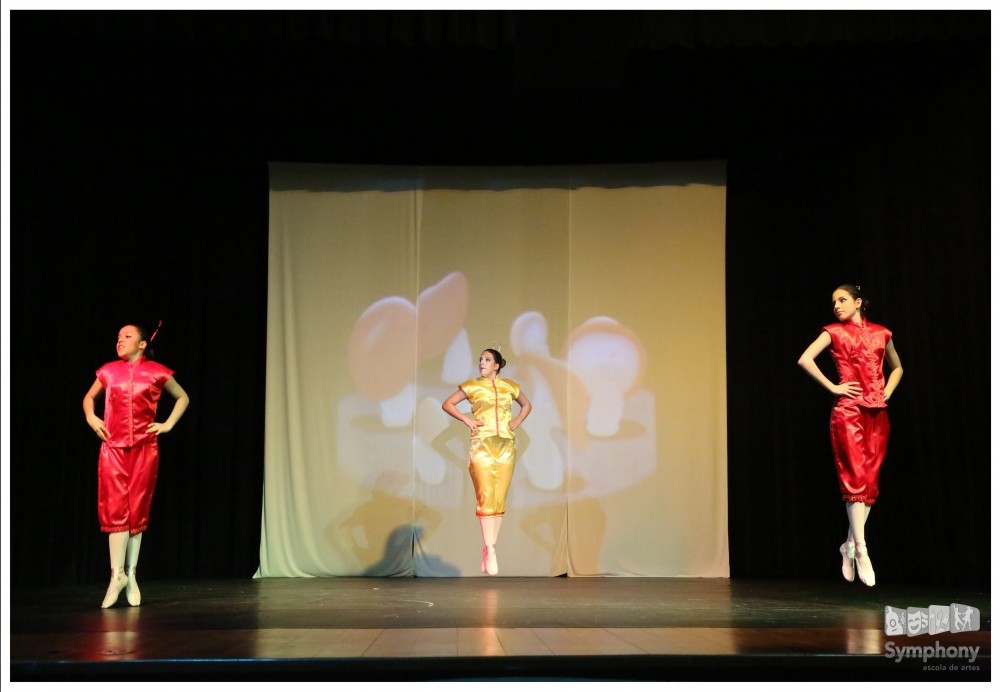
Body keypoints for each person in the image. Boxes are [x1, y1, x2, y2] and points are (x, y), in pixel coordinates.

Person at [798, 285, 902, 587]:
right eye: (833, 302)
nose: (836, 306)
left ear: (858, 302)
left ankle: (849, 544)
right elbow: (805, 359)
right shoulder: (833, 331)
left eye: (842, 300)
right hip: (849, 412)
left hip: (877, 412)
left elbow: (897, 367)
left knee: (869, 482)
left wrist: (887, 392)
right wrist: (833, 387)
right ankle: (863, 550)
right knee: (855, 477)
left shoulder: (883, 332)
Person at [83, 323, 190, 607]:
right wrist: (93, 419)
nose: (120, 340)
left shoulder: (157, 371)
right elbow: (88, 398)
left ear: (142, 344)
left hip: (145, 448)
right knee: (116, 509)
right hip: (113, 448)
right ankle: (116, 574)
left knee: (137, 510)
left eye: (127, 336)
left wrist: (167, 424)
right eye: (118, 337)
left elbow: (182, 397)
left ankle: (131, 574)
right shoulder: (108, 371)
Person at [442, 348, 532, 575]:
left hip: (506, 445)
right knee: (485, 495)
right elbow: (448, 404)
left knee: (499, 496)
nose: (482, 363)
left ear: (497, 365)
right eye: (480, 359)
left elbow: (526, 405)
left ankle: (491, 547)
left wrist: (517, 421)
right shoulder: (471, 385)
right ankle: (489, 548)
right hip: (482, 444)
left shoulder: (510, 386)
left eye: (487, 360)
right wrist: (466, 419)